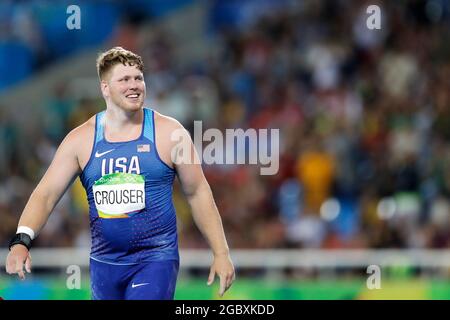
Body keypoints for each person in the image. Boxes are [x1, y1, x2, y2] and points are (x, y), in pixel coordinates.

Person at [5, 47, 235, 300]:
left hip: (155, 259)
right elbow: (46, 194)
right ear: (105, 88)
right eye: (124, 79)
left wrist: (221, 253)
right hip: (104, 265)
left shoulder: (170, 133)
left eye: (138, 78)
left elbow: (197, 192)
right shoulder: (80, 140)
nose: (134, 85)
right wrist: (21, 241)